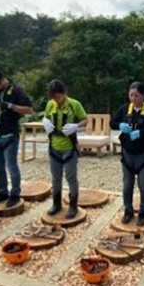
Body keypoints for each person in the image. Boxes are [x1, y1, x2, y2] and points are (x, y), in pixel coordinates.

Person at [110, 82, 144, 226]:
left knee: (143, 185)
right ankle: (128, 210)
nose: (133, 99)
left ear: (143, 96)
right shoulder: (124, 109)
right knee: (127, 185)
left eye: (136, 96)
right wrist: (120, 125)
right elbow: (112, 123)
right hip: (127, 153)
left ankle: (143, 212)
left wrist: (142, 132)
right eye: (131, 95)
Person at [0, 67, 34, 207]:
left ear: (0, 80)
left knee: (12, 166)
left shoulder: (16, 90)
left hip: (10, 135)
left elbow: (29, 109)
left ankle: (15, 193)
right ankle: (2, 192)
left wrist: (11, 106)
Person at [41, 80, 87, 219]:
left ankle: (73, 205)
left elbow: (85, 119)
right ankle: (56, 203)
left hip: (69, 147)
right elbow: (46, 116)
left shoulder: (74, 104)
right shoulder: (51, 104)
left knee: (71, 177)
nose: (56, 100)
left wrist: (76, 126)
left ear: (64, 93)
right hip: (54, 146)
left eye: (58, 97)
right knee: (56, 177)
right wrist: (45, 121)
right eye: (53, 97)